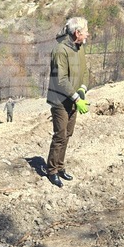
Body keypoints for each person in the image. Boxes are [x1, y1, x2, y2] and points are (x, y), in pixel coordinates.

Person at [45, 16, 90, 187]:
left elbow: (85, 71)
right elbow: (61, 80)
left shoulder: (79, 48)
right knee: (60, 135)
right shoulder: (60, 50)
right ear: (77, 32)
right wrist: (76, 98)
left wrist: (82, 90)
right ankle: (51, 170)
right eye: (85, 31)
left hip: (73, 99)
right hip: (60, 101)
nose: (87, 34)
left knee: (68, 135)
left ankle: (60, 166)